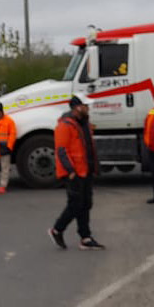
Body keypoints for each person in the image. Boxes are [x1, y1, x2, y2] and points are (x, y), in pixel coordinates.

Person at [48, 96, 105, 250]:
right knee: (75, 204)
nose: (88, 108)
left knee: (86, 204)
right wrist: (70, 171)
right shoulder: (65, 126)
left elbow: (87, 147)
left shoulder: (84, 123)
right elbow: (61, 150)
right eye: (86, 105)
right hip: (75, 172)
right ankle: (57, 229)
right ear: (77, 107)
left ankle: (85, 238)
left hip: (85, 170)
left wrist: (94, 167)